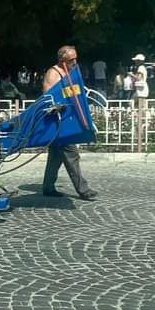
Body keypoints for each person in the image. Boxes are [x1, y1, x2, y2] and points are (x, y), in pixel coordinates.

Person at [41, 45, 97, 201]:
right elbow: (48, 97)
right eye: (71, 60)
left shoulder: (69, 72)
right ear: (62, 60)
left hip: (66, 120)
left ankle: (48, 187)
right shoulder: (53, 73)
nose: (74, 62)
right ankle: (83, 190)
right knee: (72, 154)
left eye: (75, 59)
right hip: (59, 122)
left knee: (56, 157)